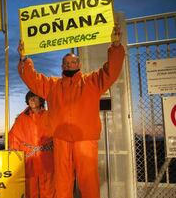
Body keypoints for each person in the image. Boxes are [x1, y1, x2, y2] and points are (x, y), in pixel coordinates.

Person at [17, 26, 124, 198]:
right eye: (66, 63)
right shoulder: (53, 85)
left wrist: (116, 46)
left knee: (88, 182)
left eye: (73, 62)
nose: (70, 65)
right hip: (61, 140)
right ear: (62, 66)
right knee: (62, 183)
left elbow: (111, 71)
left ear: (79, 65)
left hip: (85, 139)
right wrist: (24, 58)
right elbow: (33, 80)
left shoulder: (92, 82)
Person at [9, 91, 54, 198]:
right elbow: (13, 137)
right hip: (29, 161)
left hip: (47, 160)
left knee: (49, 191)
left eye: (35, 97)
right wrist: (14, 157)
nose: (32, 100)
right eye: (30, 98)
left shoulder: (50, 116)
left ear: (41, 100)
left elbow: (58, 136)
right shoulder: (21, 119)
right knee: (30, 192)